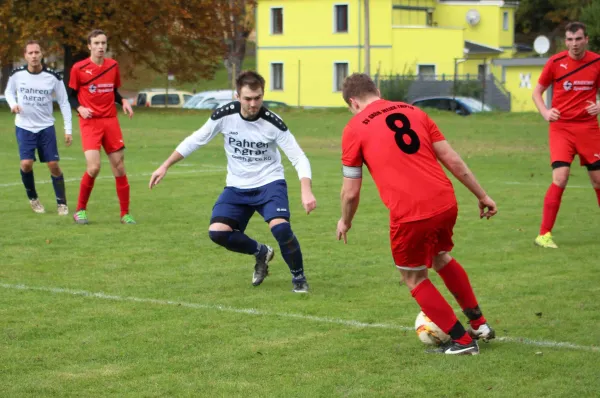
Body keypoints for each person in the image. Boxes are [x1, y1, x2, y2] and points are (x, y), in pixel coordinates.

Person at [336, 73, 497, 355]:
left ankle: (461, 342)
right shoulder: (415, 112)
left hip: (411, 213)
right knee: (440, 257)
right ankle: (479, 324)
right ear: (378, 90)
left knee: (413, 277)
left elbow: (350, 192)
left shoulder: (354, 128)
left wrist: (345, 221)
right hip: (445, 202)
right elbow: (452, 159)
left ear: (353, 102)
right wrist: (481, 195)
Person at [149, 71, 316, 293]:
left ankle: (299, 277)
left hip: (269, 183)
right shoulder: (224, 116)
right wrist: (165, 165)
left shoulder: (273, 123)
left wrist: (306, 191)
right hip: (237, 186)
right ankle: (261, 252)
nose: (253, 103)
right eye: (248, 98)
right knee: (218, 233)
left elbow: (298, 157)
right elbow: (196, 140)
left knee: (281, 229)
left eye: (257, 97)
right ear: (237, 96)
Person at [532, 22, 600, 249]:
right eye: (570, 40)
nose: (574, 44)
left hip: (589, 128)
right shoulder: (554, 62)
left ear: (586, 39)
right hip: (561, 128)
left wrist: (599, 104)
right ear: (565, 41)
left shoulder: (596, 62)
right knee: (560, 177)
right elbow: (537, 92)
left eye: (578, 39)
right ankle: (544, 235)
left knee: (598, 179)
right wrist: (545, 112)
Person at [68, 29, 135, 225]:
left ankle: (125, 214)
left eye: (103, 43)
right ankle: (80, 210)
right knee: (94, 166)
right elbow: (70, 95)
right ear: (89, 46)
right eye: (96, 43)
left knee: (119, 167)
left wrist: (123, 101)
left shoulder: (112, 66)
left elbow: (112, 91)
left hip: (110, 121)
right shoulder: (78, 68)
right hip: (90, 123)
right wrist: (80, 108)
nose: (100, 47)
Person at [4, 40, 72, 215]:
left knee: (53, 165)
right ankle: (33, 199)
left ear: (41, 54)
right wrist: (13, 104)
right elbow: (9, 92)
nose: (34, 56)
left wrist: (68, 129)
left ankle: (62, 203)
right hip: (24, 127)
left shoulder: (53, 76)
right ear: (25, 56)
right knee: (26, 164)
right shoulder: (16, 74)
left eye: (37, 52)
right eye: (30, 53)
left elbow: (64, 102)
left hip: (46, 127)